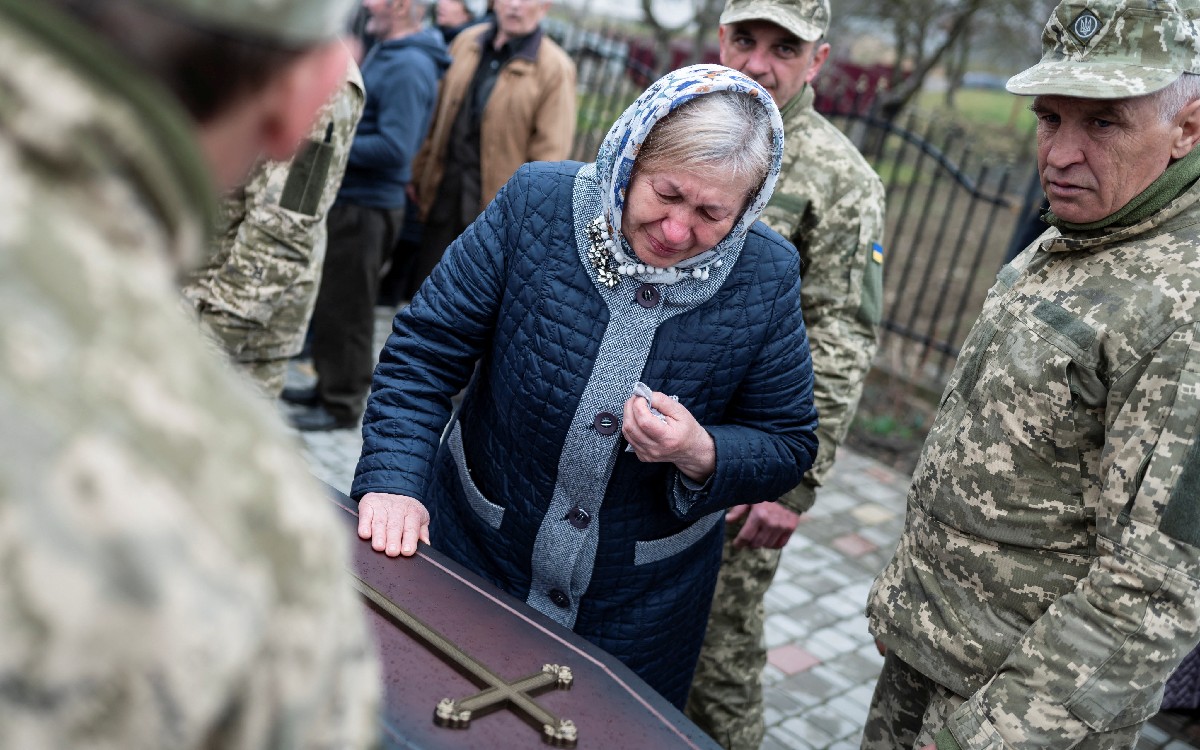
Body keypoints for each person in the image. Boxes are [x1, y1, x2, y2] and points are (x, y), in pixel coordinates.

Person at [351, 64, 819, 710]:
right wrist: (394, 480)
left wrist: (700, 451)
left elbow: (789, 441)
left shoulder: (766, 274)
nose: (679, 231)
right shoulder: (535, 205)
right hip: (477, 555)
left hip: (638, 611)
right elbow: (424, 352)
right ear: (629, 160)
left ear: (747, 208)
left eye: (712, 213)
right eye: (666, 194)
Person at [0, 0, 381, 746]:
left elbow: (281, 231)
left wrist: (191, 342)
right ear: (292, 98)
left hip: (233, 317)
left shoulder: (334, 97)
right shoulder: (258, 536)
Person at [864, 0, 1200, 748]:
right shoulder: (1088, 230)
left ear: (1189, 127)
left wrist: (986, 736)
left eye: (1104, 122)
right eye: (1050, 117)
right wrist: (909, 607)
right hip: (933, 663)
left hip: (1017, 718)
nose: (1059, 154)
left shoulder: (1183, 306)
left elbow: (1152, 592)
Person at [684, 1, 886, 747]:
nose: (758, 64)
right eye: (746, 40)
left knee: (717, 649)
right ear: (721, 39)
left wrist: (792, 482)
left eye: (783, 47)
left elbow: (840, 338)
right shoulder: (678, 126)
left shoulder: (842, 180)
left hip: (741, 456)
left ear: (819, 61)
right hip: (638, 428)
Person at [288, 0, 451, 431]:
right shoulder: (388, 50)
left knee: (350, 309)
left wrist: (323, 144)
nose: (366, 4)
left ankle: (341, 404)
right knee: (333, 302)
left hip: (368, 208)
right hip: (353, 200)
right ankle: (326, 384)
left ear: (400, 6)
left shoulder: (410, 65)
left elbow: (397, 148)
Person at [181, 60, 366, 397]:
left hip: (233, 329)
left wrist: (209, 343)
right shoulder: (264, 45)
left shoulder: (326, 85)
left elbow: (281, 236)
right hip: (189, 297)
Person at [403, 0, 576, 301]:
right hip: (441, 197)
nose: (515, 5)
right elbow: (435, 115)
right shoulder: (466, 42)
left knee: (464, 306)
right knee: (424, 296)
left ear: (545, 6)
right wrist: (418, 171)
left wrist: (525, 221)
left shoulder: (555, 68)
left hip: (493, 216)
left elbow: (551, 156)